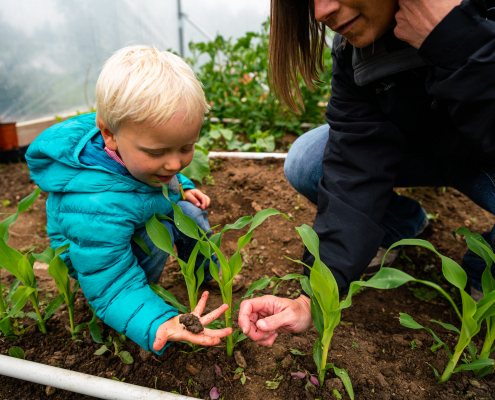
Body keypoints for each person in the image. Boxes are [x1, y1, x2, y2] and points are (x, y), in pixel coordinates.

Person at [239, 0, 495, 346]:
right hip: (433, 145)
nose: (320, 12)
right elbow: (354, 166)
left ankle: (485, 265)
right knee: (309, 162)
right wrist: (312, 298)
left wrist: (453, 40)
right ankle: (399, 225)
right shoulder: (357, 51)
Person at [26, 46, 244, 354]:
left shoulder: (137, 150)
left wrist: (181, 186)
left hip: (130, 216)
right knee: (159, 235)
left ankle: (205, 271)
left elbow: (160, 173)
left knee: (189, 214)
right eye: (157, 153)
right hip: (99, 257)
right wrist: (158, 322)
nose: (173, 164)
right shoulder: (96, 205)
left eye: (185, 148)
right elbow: (109, 280)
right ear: (109, 135)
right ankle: (142, 303)